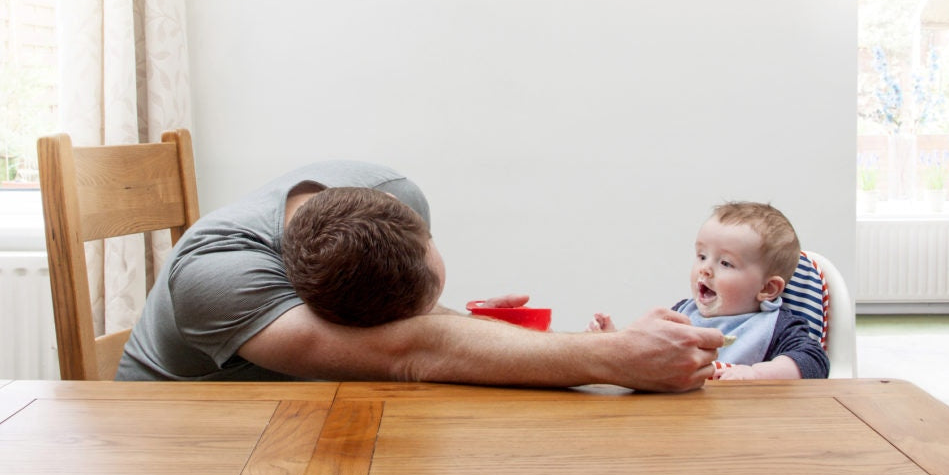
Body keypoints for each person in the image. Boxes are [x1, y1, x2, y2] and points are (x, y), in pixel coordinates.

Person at [116, 160, 724, 390]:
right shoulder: (216, 276)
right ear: (305, 293)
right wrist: (614, 355)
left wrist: (471, 329)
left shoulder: (393, 197)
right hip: (175, 428)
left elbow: (408, 333)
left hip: (298, 400)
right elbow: (405, 352)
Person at [589, 201, 828, 380]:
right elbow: (648, 349)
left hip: (747, 424)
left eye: (725, 263)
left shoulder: (778, 327)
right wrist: (616, 341)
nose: (705, 269)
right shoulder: (682, 313)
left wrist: (756, 374)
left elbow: (814, 362)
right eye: (702, 256)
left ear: (767, 288)